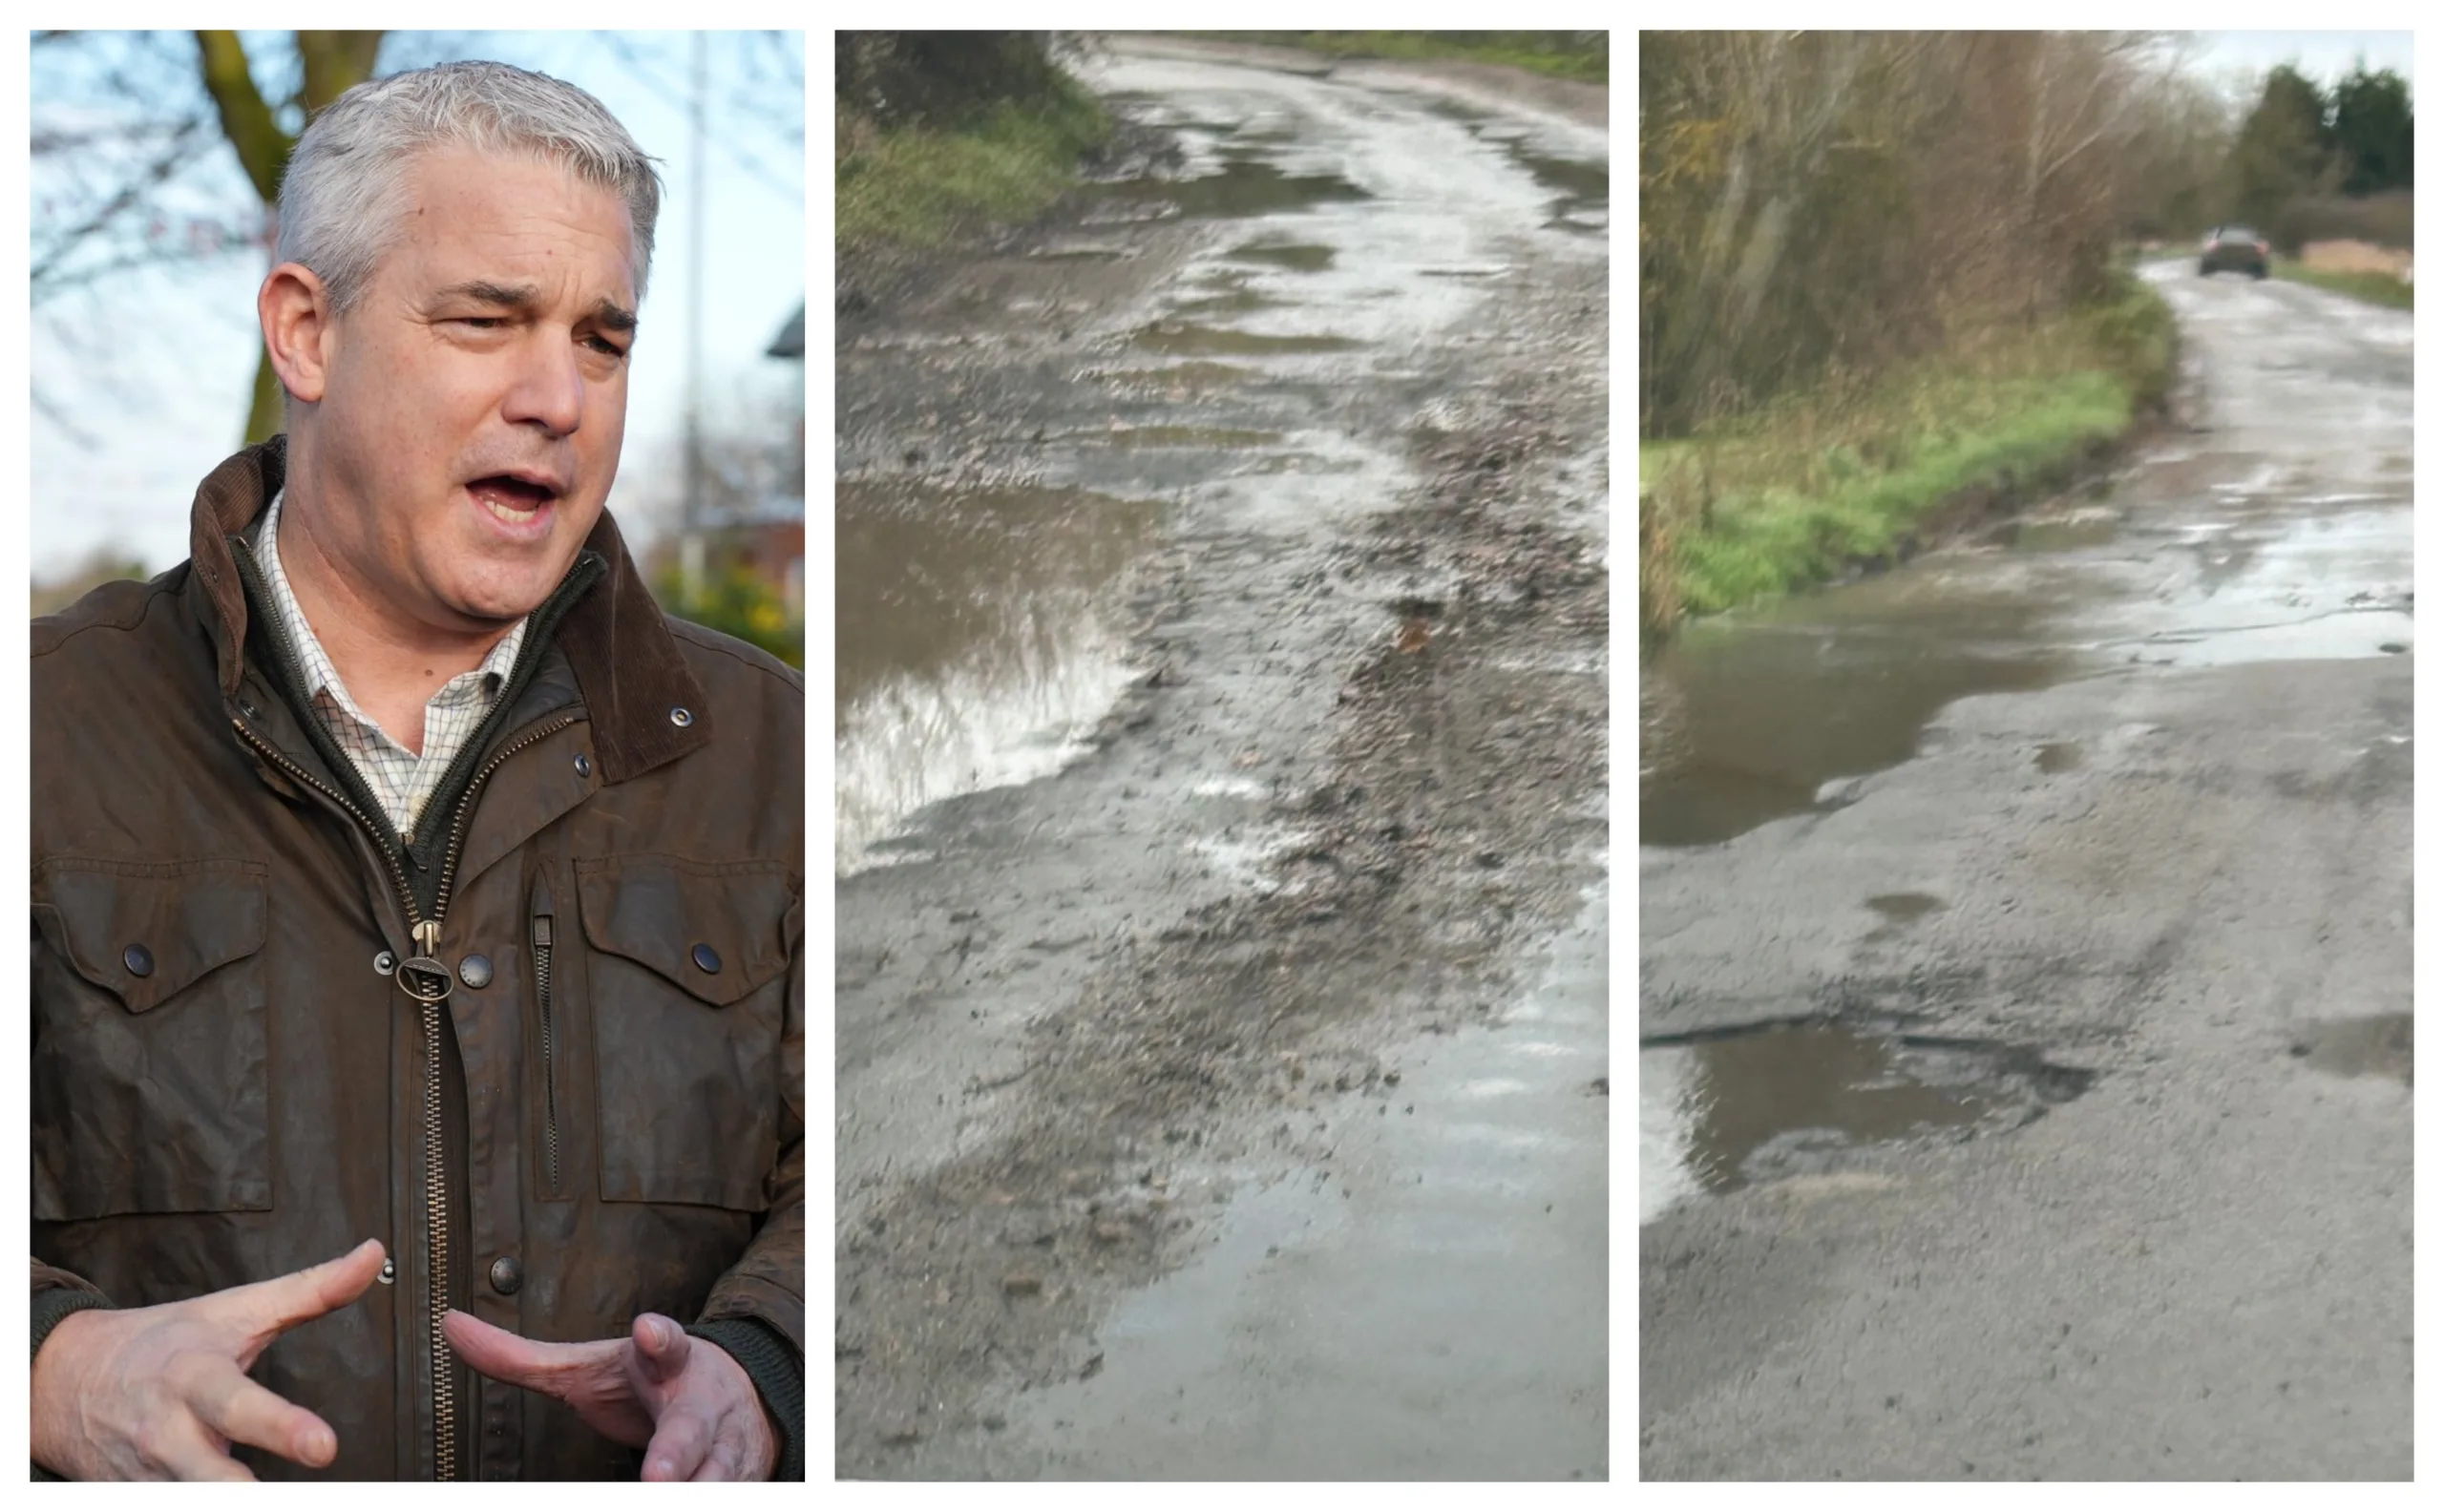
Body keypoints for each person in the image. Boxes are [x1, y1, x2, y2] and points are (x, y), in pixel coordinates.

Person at [28, 60, 804, 1481]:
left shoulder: (778, 758)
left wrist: (768, 1371)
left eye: (603, 339)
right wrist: (50, 1371)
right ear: (307, 331)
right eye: (485, 321)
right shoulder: (46, 737)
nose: (559, 397)